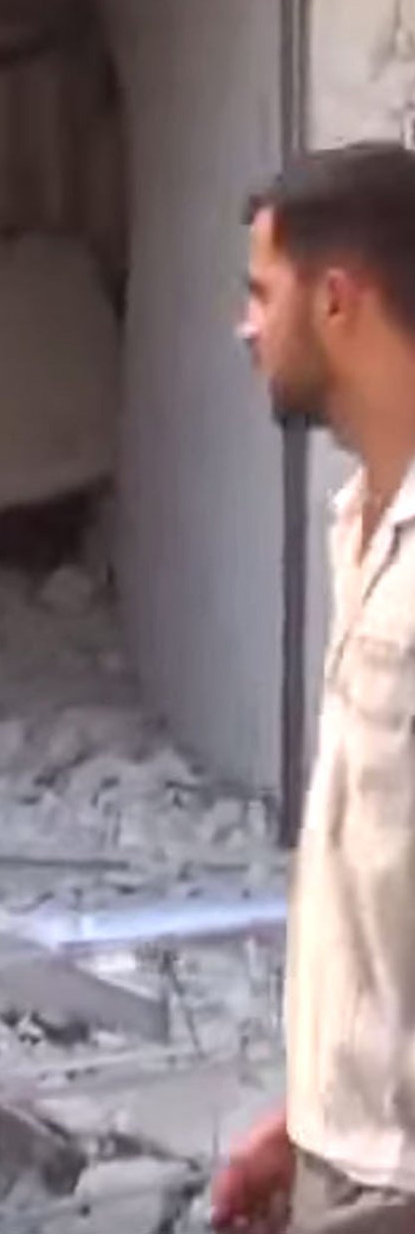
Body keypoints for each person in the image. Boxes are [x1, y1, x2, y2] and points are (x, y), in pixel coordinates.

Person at [219, 142, 415, 1230]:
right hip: (348, 1157)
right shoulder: (358, 525)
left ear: (335, 299)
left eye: (261, 292)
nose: (244, 327)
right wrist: (303, 1117)